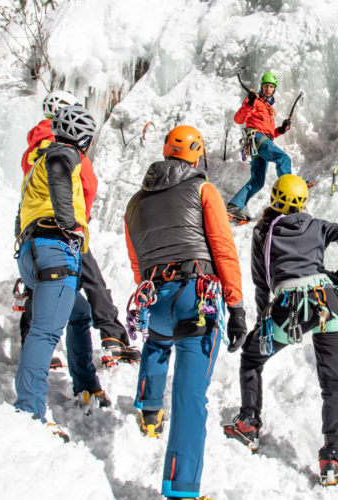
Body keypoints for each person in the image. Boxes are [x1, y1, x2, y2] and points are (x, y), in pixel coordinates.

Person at [124, 125, 247, 500]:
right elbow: (223, 249)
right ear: (196, 154)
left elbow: (136, 261)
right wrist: (236, 304)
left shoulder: (134, 203)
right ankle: (181, 489)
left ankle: (148, 410)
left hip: (155, 298)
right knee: (191, 395)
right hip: (195, 297)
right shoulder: (203, 189)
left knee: (158, 345)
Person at [222, 174, 338, 486]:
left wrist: (264, 319)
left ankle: (248, 423)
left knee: (251, 358)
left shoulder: (264, 230)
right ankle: (332, 458)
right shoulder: (317, 225)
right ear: (303, 201)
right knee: (333, 382)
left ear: (274, 197)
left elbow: (262, 282)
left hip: (292, 307)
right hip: (330, 301)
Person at [20, 90, 140, 367]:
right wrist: (77, 222)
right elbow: (87, 185)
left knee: (39, 286)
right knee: (92, 280)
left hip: (30, 227)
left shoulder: (35, 149)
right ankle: (113, 336)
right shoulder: (66, 149)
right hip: (63, 229)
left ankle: (32, 344)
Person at [14, 105, 109, 430]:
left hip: (34, 251)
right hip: (54, 247)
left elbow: (20, 216)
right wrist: (71, 225)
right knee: (43, 332)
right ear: (84, 137)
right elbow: (59, 173)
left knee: (78, 313)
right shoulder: (63, 153)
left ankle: (84, 381)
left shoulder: (37, 163)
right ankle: (29, 411)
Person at [226, 71, 292, 222]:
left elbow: (268, 134)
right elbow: (238, 119)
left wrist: (280, 130)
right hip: (255, 138)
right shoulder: (254, 101)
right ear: (261, 87)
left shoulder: (270, 109)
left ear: (274, 89)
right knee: (283, 158)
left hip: (260, 141)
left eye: (271, 87)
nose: (268, 89)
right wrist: (249, 103)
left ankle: (234, 207)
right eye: (265, 86)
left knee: (258, 181)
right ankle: (290, 190)